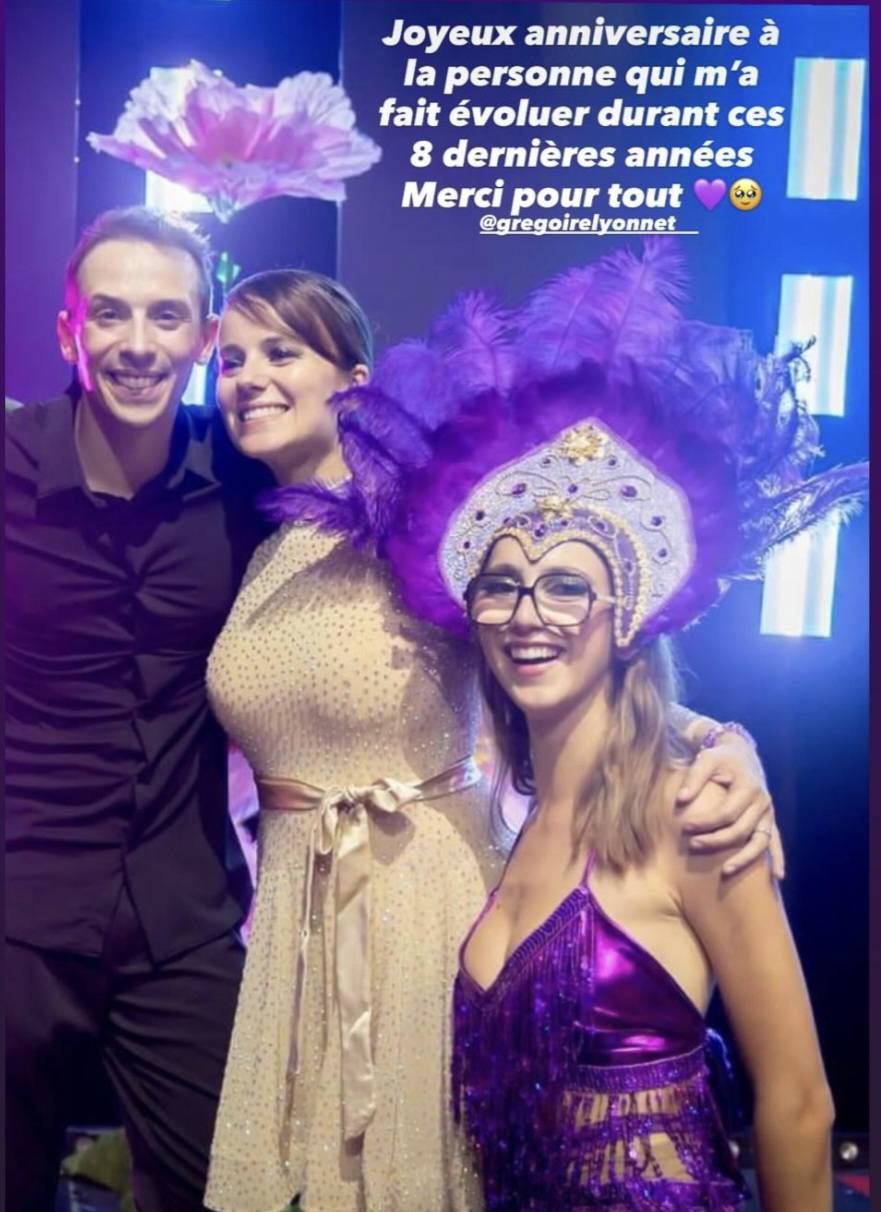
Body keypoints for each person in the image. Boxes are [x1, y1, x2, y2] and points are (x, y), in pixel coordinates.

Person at [202, 267, 781, 1212]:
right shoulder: (260, 548)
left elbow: (568, 650)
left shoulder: (414, 528)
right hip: (296, 919)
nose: (249, 378)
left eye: (280, 352)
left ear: (353, 382)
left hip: (421, 901)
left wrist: (723, 741)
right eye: (230, 361)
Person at [385, 242, 866, 1210]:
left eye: (567, 585)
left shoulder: (695, 816)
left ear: (626, 617)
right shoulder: (506, 827)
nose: (528, 615)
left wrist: (728, 746)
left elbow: (797, 1101)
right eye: (501, 585)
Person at [5, 206, 270, 1212]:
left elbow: (434, 578)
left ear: (205, 338)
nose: (137, 343)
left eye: (167, 316)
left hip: (180, 916)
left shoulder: (247, 478)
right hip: (15, 907)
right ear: (67, 332)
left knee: (226, 1186)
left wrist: (688, 737)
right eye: (110, 314)